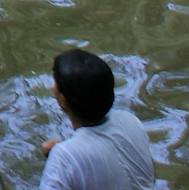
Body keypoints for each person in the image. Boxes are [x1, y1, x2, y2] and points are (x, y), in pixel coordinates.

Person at [39, 48, 156, 189]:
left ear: (63, 100)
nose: (52, 87)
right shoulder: (130, 121)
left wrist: (56, 160)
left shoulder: (63, 157)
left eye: (55, 84)